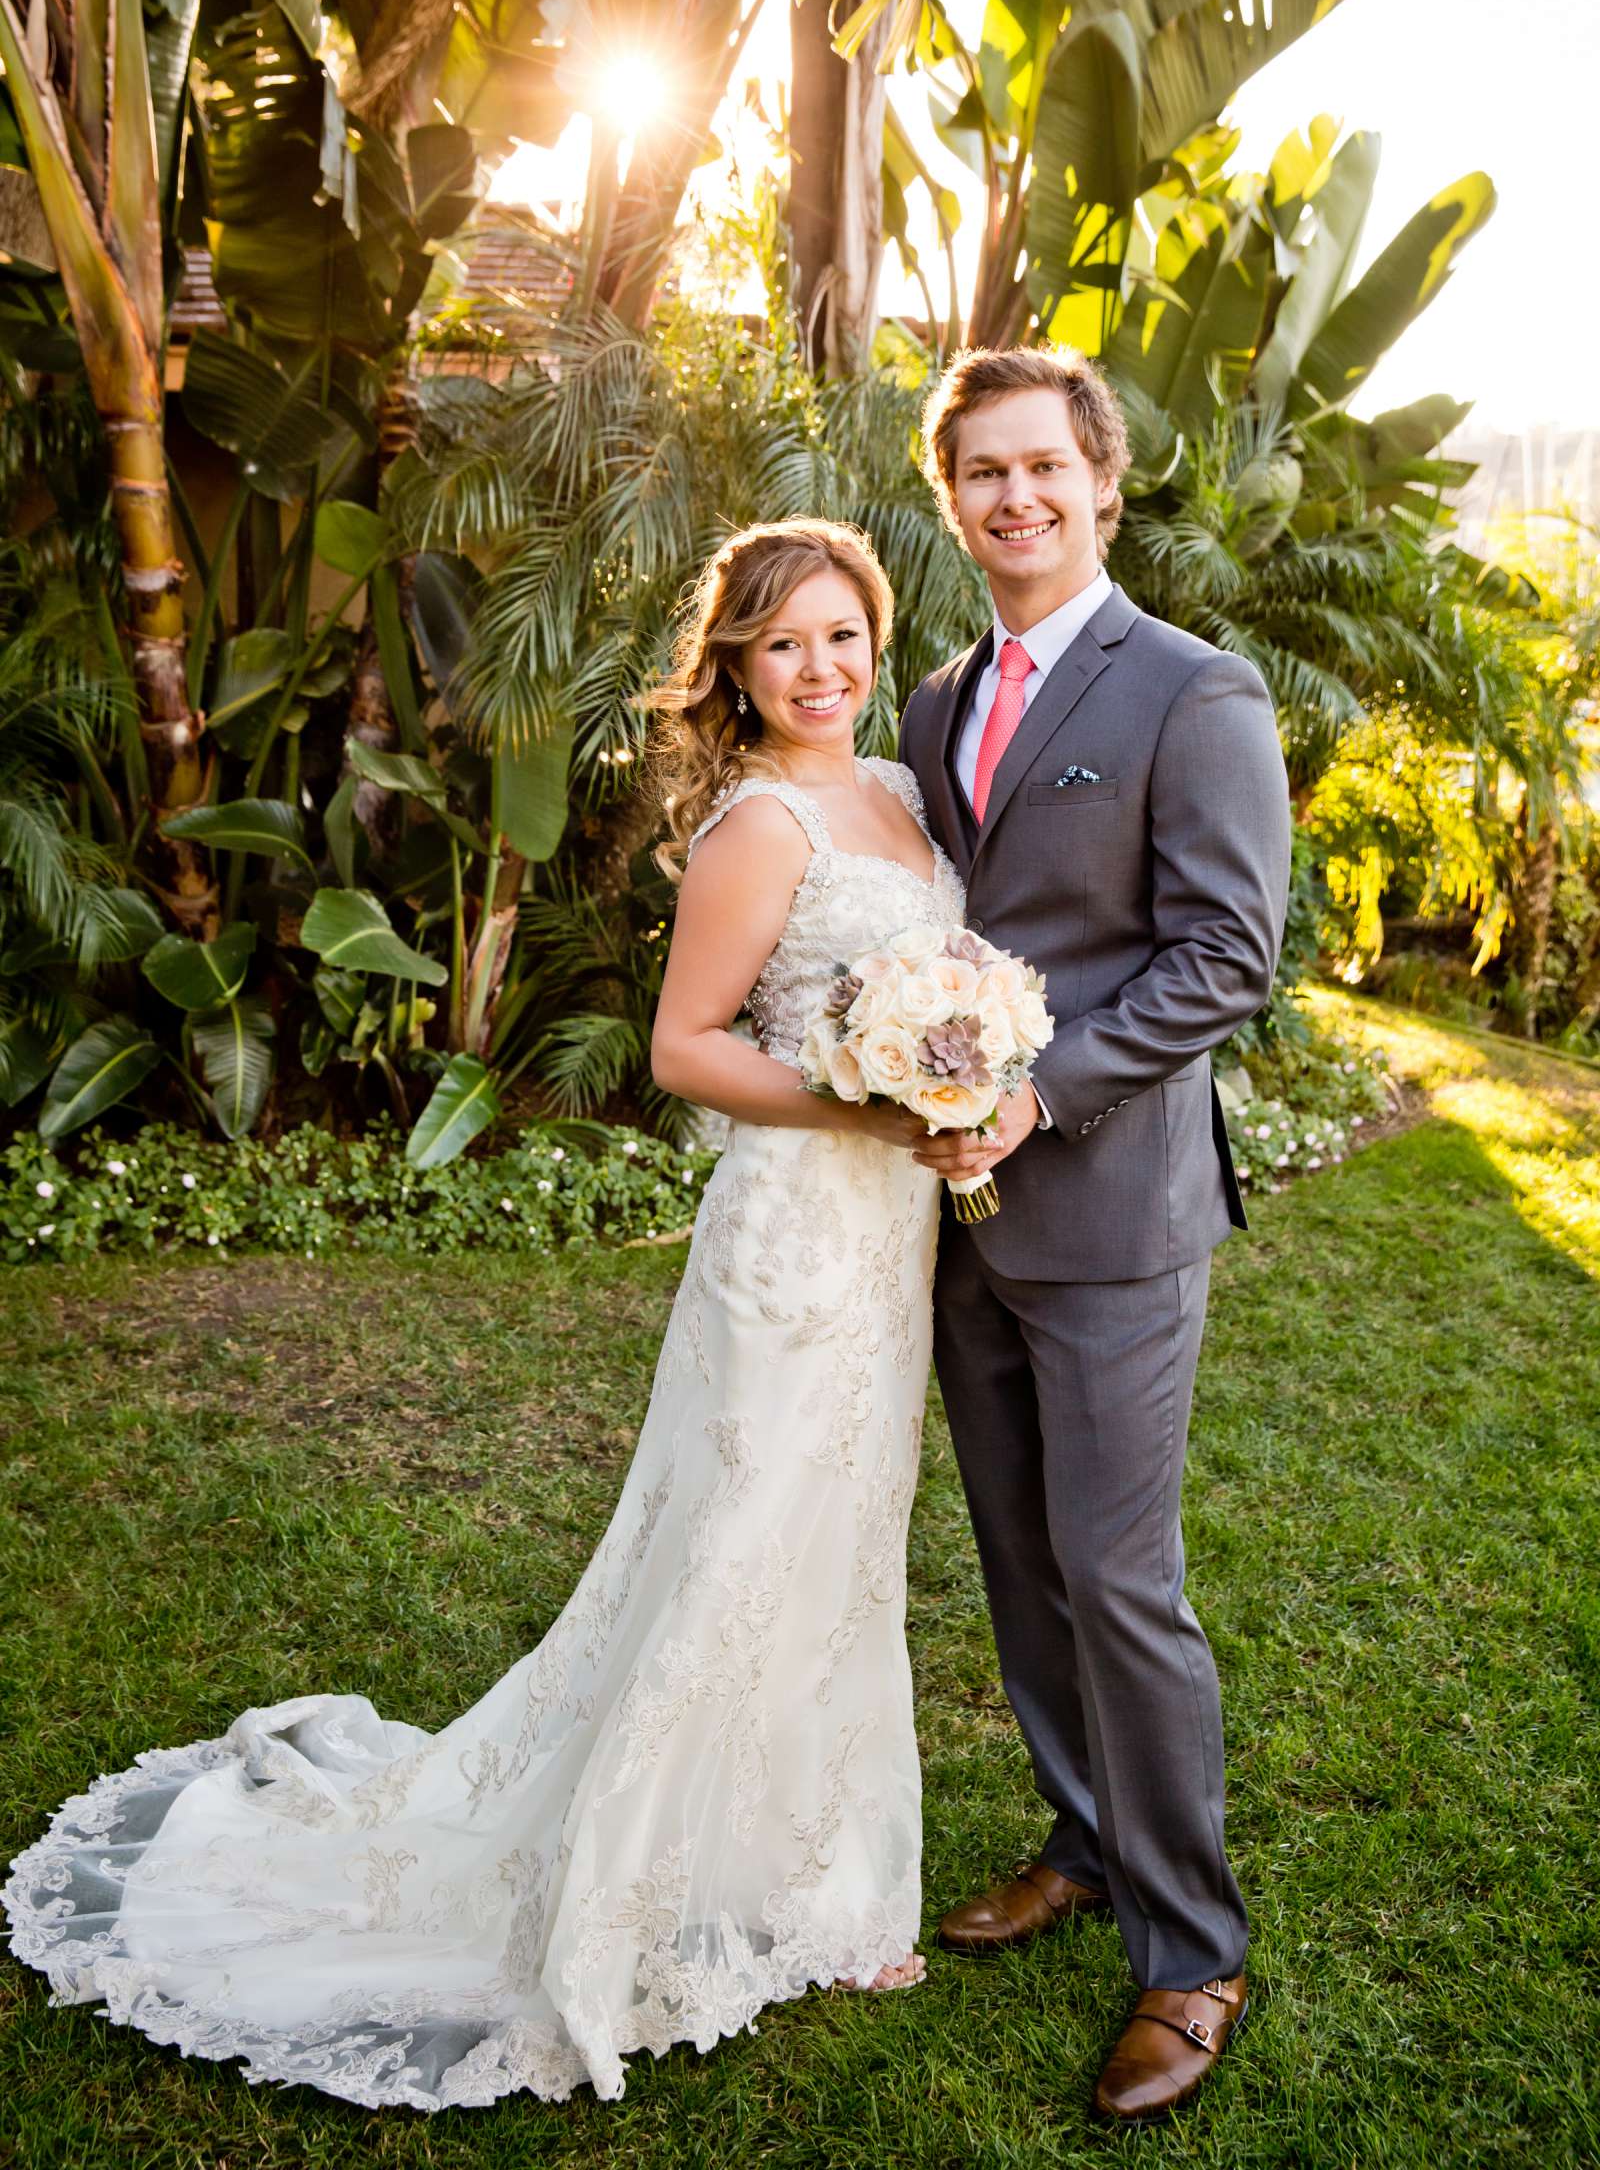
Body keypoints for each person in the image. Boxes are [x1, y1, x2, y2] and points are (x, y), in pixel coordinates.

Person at [2, 518, 958, 2111]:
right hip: (795, 1237)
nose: (821, 669)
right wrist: (858, 1092)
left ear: (877, 642)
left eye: (845, 637)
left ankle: (817, 1884)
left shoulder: (905, 796)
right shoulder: (760, 823)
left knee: (846, 1549)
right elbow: (681, 1047)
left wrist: (953, 1071)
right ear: (736, 664)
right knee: (741, 1541)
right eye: (785, 642)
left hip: (893, 1240)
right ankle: (642, 1886)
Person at [897, 345, 1291, 2124]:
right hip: (955, 1216)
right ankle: (1081, 1839)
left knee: (1122, 1580)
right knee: (1018, 1561)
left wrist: (1040, 1097)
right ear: (952, 495)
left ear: (1102, 482)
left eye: (1042, 466)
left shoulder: (1195, 693)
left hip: (1114, 1211)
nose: (1014, 499)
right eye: (981, 472)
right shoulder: (930, 698)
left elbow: (1228, 956)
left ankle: (1189, 1950)